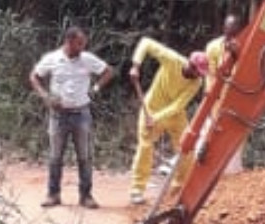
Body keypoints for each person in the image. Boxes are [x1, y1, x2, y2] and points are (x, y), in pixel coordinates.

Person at [29, 26, 113, 209]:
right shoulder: (52, 59)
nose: (82, 46)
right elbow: (34, 76)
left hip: (81, 113)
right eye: (79, 43)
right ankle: (53, 194)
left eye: (83, 43)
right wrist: (45, 96)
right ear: (68, 41)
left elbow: (108, 71)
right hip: (58, 115)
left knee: (84, 156)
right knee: (55, 156)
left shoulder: (87, 59)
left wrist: (95, 89)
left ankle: (86, 196)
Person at [128, 37, 209, 205]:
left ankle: (178, 189)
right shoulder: (172, 59)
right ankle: (137, 189)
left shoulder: (197, 83)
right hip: (151, 107)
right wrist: (136, 65)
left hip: (174, 114)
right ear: (191, 65)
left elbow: (178, 105)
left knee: (187, 147)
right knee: (145, 147)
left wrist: (156, 118)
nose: (198, 76)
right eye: (197, 71)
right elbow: (146, 43)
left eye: (201, 73)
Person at [203, 13, 245, 174]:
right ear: (224, 28)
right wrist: (211, 95)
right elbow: (211, 73)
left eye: (234, 30)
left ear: (239, 30)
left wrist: (237, 54)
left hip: (237, 96)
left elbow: (243, 72)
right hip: (218, 97)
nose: (231, 32)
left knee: (236, 131)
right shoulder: (212, 47)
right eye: (228, 28)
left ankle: (233, 169)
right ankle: (212, 167)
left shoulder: (245, 47)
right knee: (215, 129)